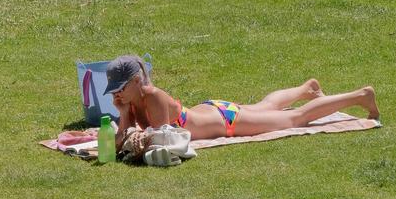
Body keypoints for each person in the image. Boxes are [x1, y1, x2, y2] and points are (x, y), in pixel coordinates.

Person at [103, 57, 379, 147]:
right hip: (214, 112)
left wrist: (125, 122)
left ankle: (359, 96)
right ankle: (306, 88)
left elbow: (157, 141)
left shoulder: (152, 96)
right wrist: (123, 112)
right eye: (113, 91)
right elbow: (122, 142)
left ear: (137, 81)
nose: (117, 94)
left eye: (120, 88)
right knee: (265, 107)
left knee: (296, 119)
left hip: (226, 121)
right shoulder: (133, 101)